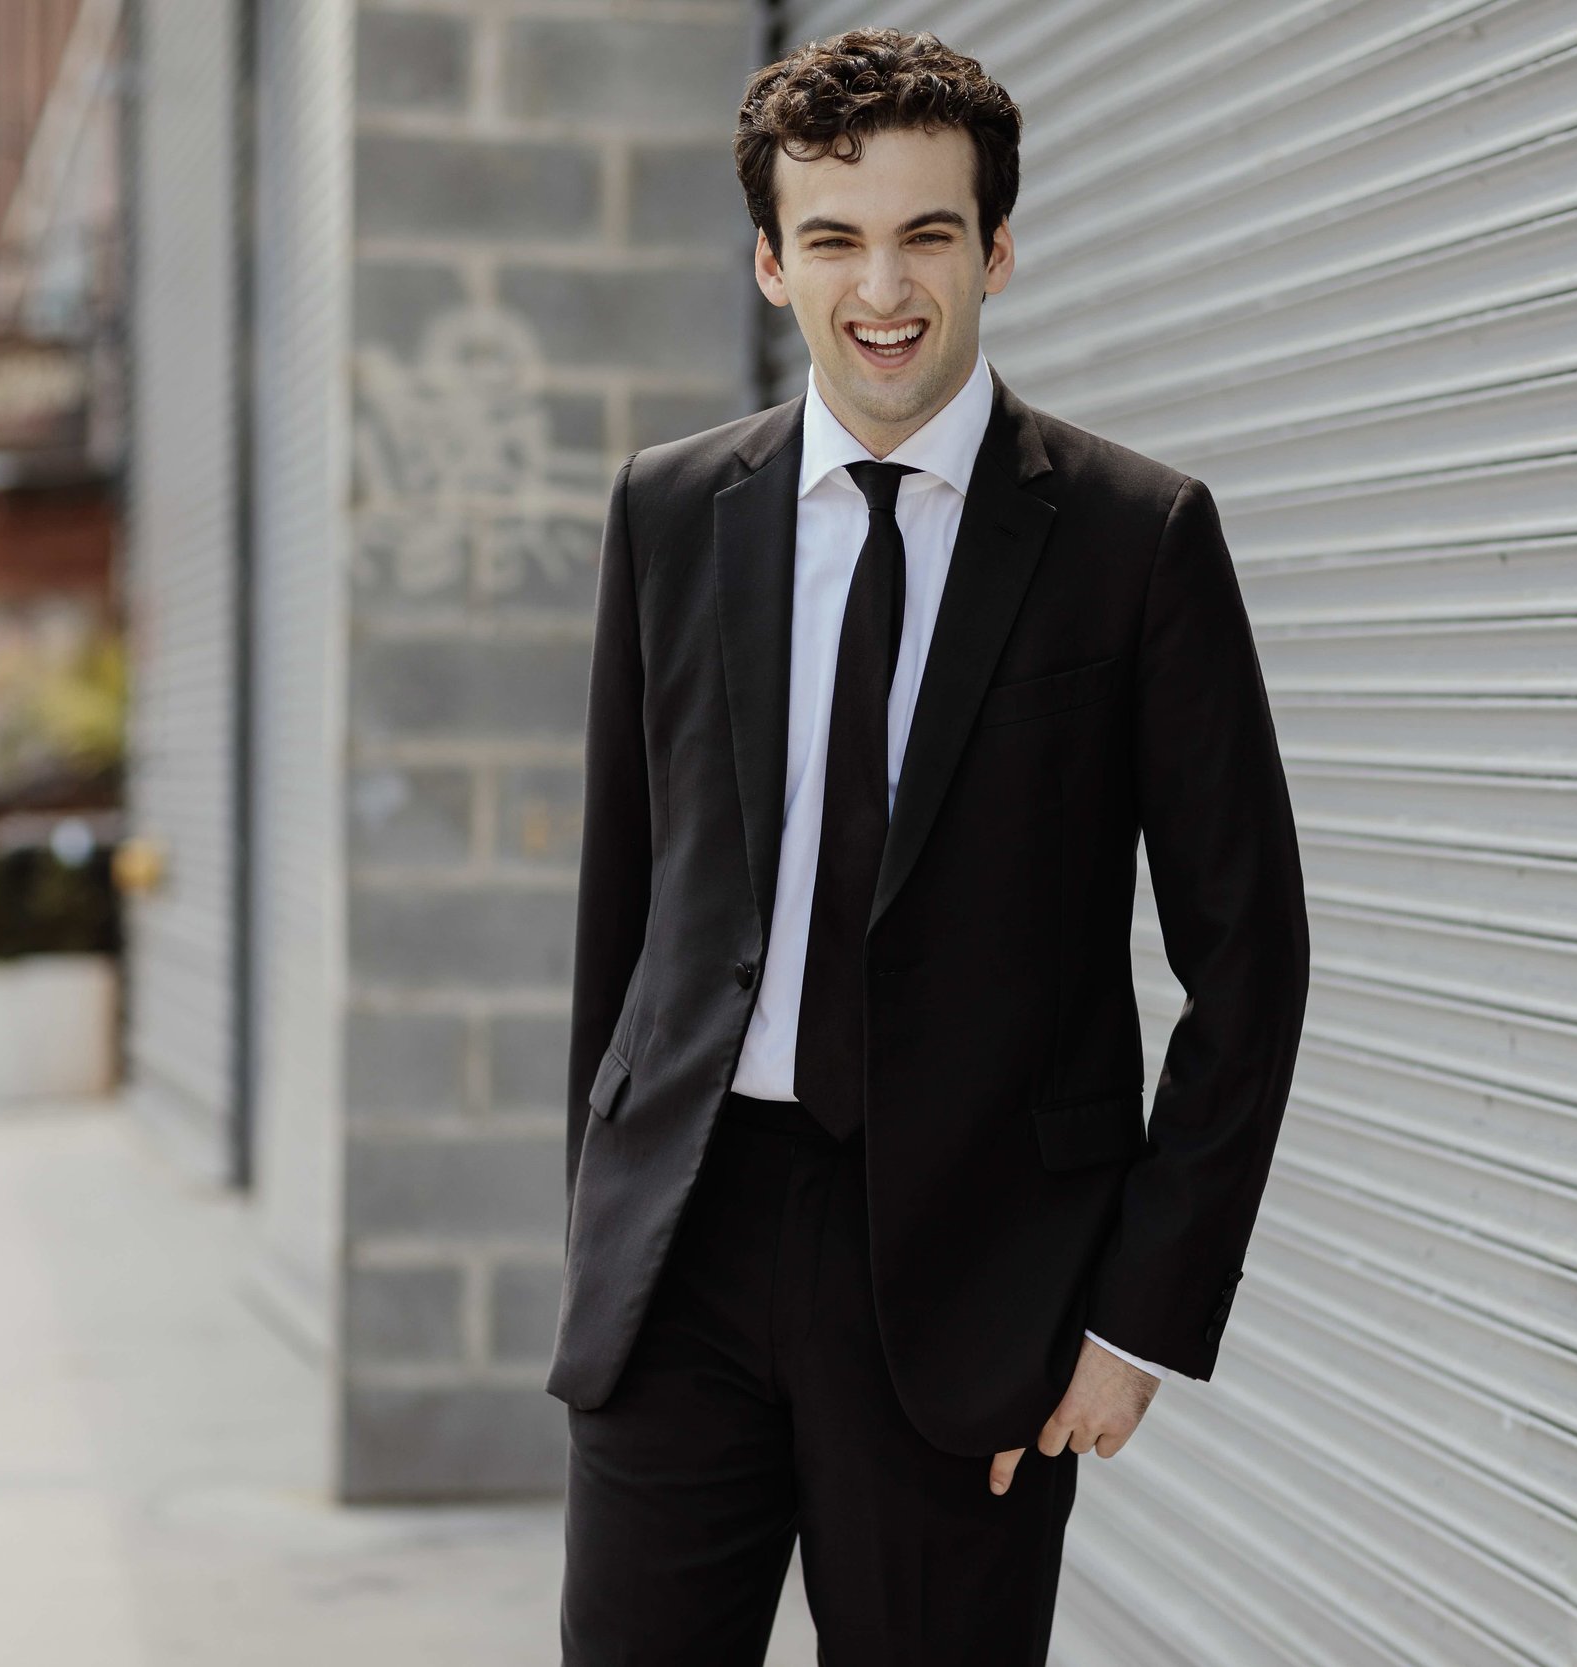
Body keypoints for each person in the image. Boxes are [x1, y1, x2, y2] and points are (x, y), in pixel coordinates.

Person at [551, 27, 1310, 1665]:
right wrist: (599, 1243)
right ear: (769, 262)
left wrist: (1134, 1319)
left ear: (999, 249)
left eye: (926, 234)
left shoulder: (1135, 541)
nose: (879, 287)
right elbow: (627, 917)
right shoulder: (671, 514)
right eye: (831, 239)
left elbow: (1250, 961)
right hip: (686, 1257)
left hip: (976, 1291)